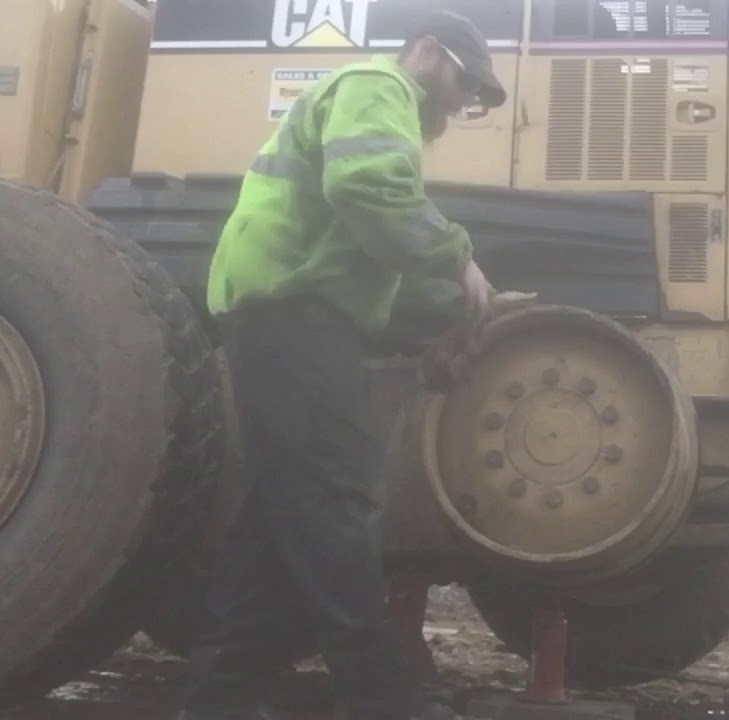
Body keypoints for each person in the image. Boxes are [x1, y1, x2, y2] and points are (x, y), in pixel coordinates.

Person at [176, 10, 506, 720]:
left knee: (279, 516)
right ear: (426, 51)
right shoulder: (374, 85)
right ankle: (380, 697)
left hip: (286, 312)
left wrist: (442, 315)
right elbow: (366, 188)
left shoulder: (383, 107)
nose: (462, 101)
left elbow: (365, 244)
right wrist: (458, 256)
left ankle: (217, 700)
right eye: (465, 82)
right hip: (292, 313)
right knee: (337, 497)